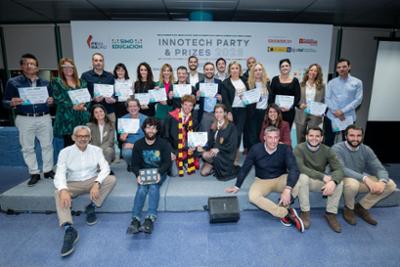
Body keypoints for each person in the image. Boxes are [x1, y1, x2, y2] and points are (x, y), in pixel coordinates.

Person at [225, 126, 304, 232]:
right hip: (262, 180)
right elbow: (245, 168)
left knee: (298, 182)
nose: (273, 141)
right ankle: (284, 213)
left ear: (279, 138)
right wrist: (237, 185)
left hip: (280, 177)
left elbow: (294, 169)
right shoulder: (256, 149)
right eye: (270, 137)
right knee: (253, 197)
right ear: (264, 138)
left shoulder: (285, 149)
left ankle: (285, 204)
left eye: (276, 138)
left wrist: (287, 189)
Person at [54, 125, 116, 257]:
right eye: (79, 136)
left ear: (90, 138)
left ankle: (91, 206)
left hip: (91, 180)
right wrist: (63, 189)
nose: (83, 139)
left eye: (86, 136)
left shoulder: (96, 150)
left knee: (111, 179)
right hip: (73, 183)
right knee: (58, 193)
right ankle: (69, 229)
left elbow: (105, 168)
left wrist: (97, 183)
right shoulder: (65, 152)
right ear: (73, 137)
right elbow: (59, 173)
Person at [3, 53, 54, 186]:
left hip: (44, 116)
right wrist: (11, 103)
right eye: (26, 63)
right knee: (27, 147)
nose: (29, 66)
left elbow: (52, 102)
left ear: (37, 67)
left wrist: (51, 101)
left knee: (47, 145)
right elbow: (4, 101)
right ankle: (34, 173)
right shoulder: (13, 82)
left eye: (32, 64)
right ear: (22, 66)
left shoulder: (46, 83)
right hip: (25, 119)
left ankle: (48, 170)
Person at [332, 125, 397, 226]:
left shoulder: (366, 150)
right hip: (343, 180)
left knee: (390, 184)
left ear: (362, 137)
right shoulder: (337, 148)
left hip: (360, 180)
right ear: (346, 136)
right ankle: (349, 208)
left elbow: (379, 168)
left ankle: (362, 207)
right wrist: (365, 178)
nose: (355, 139)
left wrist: (382, 181)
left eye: (358, 136)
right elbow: (341, 169)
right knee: (352, 184)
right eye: (352, 135)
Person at [293, 127, 344, 233]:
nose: (314, 138)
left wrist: (333, 181)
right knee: (302, 176)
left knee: (339, 182)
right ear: (307, 137)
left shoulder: (327, 150)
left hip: (317, 181)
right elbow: (301, 168)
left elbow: (339, 169)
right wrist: (322, 176)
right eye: (311, 135)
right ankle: (305, 212)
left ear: (321, 138)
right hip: (304, 181)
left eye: (317, 136)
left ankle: (331, 214)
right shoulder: (299, 148)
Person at [127, 118, 172, 235]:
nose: (151, 130)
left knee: (153, 186)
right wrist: (137, 175)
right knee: (141, 188)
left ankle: (150, 218)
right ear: (144, 129)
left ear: (157, 130)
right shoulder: (138, 144)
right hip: (143, 173)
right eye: (148, 127)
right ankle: (135, 219)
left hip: (158, 172)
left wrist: (159, 173)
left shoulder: (163, 144)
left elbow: (167, 163)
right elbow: (134, 165)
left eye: (153, 128)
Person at [51, 57, 90, 147]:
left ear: (74, 68)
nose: (68, 69)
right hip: (67, 119)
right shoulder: (57, 81)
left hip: (81, 117)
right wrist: (72, 106)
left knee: (83, 144)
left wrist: (84, 106)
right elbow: (58, 99)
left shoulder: (82, 82)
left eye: (70, 66)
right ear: (61, 69)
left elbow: (87, 98)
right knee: (69, 146)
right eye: (65, 67)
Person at [324, 59, 363, 146]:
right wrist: (336, 111)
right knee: (328, 142)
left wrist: (342, 111)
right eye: (339, 67)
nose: (341, 69)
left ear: (349, 67)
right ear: (337, 69)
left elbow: (358, 100)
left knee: (347, 142)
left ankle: (345, 159)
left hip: (348, 117)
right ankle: (327, 159)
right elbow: (327, 98)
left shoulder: (357, 82)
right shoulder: (331, 83)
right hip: (332, 116)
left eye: (344, 66)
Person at [198, 104, 238, 180]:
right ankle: (214, 166)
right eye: (216, 112)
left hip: (225, 155)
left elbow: (232, 145)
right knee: (203, 173)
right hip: (214, 154)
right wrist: (202, 147)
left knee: (205, 155)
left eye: (221, 112)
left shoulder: (231, 126)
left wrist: (219, 149)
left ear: (225, 113)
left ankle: (223, 166)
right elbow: (210, 143)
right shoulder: (214, 126)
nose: (218, 114)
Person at [163, 94, 199, 176]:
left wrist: (194, 146)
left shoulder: (193, 119)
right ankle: (178, 160)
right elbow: (165, 137)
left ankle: (185, 160)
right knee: (174, 173)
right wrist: (170, 151)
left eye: (190, 105)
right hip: (173, 147)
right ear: (181, 104)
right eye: (185, 104)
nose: (187, 107)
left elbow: (195, 136)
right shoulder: (171, 117)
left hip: (186, 146)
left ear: (193, 107)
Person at [221, 61, 249, 165]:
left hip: (243, 110)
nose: (234, 70)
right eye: (232, 68)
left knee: (238, 134)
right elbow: (225, 99)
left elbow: (250, 94)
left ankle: (235, 156)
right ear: (229, 70)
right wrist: (228, 112)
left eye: (236, 68)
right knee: (230, 134)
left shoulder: (245, 81)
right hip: (231, 111)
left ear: (240, 70)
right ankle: (228, 155)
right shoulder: (225, 83)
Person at [80, 53, 116, 123]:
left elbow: (115, 93)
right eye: (96, 60)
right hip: (92, 112)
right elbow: (82, 93)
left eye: (100, 60)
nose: (98, 63)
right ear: (92, 62)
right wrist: (93, 98)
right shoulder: (85, 75)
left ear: (103, 62)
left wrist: (113, 99)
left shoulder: (110, 76)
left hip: (108, 111)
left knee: (110, 133)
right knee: (93, 133)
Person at [295, 63, 326, 143]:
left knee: (313, 139)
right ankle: (300, 154)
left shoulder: (322, 87)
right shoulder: (300, 85)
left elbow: (324, 101)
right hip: (302, 114)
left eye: (315, 71)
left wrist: (323, 111)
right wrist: (299, 105)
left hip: (315, 115)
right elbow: (295, 99)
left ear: (318, 73)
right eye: (311, 70)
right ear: (308, 72)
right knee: (300, 138)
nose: (313, 72)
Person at [269, 58, 301, 128]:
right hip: (276, 112)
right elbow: (271, 95)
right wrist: (276, 107)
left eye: (286, 66)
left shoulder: (295, 81)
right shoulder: (275, 79)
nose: (284, 68)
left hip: (289, 112)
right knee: (274, 131)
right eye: (282, 66)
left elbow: (298, 97)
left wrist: (290, 107)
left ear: (290, 67)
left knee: (286, 132)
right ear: (280, 68)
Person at [245, 62, 271, 149]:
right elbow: (246, 100)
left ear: (262, 71)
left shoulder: (267, 83)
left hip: (265, 113)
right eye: (255, 70)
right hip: (253, 113)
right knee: (253, 136)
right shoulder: (248, 84)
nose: (258, 72)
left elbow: (270, 98)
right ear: (253, 72)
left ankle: (262, 155)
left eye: (260, 70)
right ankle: (253, 155)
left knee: (263, 135)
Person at [119, 98, 147, 171]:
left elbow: (150, 137)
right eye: (130, 106)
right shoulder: (123, 119)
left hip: (143, 144)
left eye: (135, 106)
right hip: (129, 145)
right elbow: (121, 139)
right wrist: (123, 138)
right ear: (127, 109)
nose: (133, 108)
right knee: (127, 153)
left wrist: (134, 145)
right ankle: (131, 164)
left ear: (139, 107)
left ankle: (141, 164)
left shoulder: (146, 119)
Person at [195, 62, 223, 131]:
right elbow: (197, 102)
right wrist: (197, 97)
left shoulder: (219, 83)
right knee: (205, 137)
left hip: (217, 114)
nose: (209, 71)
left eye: (211, 69)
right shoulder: (199, 84)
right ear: (204, 71)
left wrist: (221, 99)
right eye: (207, 69)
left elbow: (223, 100)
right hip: (204, 114)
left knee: (217, 137)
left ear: (214, 70)